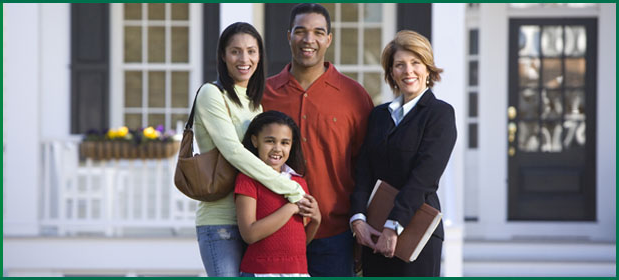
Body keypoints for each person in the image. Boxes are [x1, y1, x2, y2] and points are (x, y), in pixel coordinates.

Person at [261, 3, 374, 277]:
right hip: (272, 232)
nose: (308, 39)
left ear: (328, 39)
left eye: (317, 32)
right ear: (288, 36)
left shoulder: (354, 96)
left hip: (334, 236)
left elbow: (366, 168)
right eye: (300, 31)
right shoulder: (265, 94)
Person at [193, 22, 307, 277]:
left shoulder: (255, 104)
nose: (244, 59)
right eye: (235, 51)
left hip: (254, 222)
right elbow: (233, 152)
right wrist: (290, 188)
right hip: (220, 221)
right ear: (223, 55)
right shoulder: (212, 94)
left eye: (251, 51)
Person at [349, 30, 457, 276]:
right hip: (373, 234)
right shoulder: (378, 116)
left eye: (415, 63)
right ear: (391, 73)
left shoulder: (439, 114)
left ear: (428, 69)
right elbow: (364, 171)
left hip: (414, 235)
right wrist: (358, 220)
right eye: (400, 65)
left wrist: (393, 226)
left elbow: (424, 177)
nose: (408, 71)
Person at [235, 110, 321, 277]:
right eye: (270, 141)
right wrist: (290, 209)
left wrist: (317, 218)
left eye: (285, 143)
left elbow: (300, 239)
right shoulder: (247, 179)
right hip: (260, 271)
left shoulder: (298, 182)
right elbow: (250, 234)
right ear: (255, 141)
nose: (277, 148)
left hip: (298, 272)